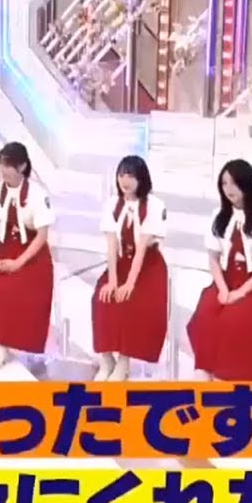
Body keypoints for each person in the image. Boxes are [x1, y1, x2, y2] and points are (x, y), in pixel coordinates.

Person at [186, 159, 252, 380]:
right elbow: (213, 258)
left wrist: (241, 292)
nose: (228, 189)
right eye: (224, 183)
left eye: (234, 183)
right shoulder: (219, 215)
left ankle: (230, 376)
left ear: (247, 184)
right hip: (226, 280)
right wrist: (222, 289)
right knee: (205, 315)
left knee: (235, 322)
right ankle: (205, 368)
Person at [0, 142, 56, 372]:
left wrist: (19, 263)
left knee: (12, 290)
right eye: (2, 164)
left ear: (22, 166)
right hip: (4, 248)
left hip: (32, 254)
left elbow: (42, 236)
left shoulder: (37, 194)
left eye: (9, 165)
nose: (4, 170)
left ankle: (3, 346)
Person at [90, 155, 169, 380]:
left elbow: (142, 248)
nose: (125, 180)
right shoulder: (112, 204)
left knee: (130, 302)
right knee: (101, 298)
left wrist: (129, 284)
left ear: (141, 178)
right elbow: (111, 245)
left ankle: (124, 362)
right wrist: (113, 281)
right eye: (121, 175)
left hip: (148, 266)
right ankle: (106, 359)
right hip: (121, 261)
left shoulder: (154, 205)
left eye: (131, 176)